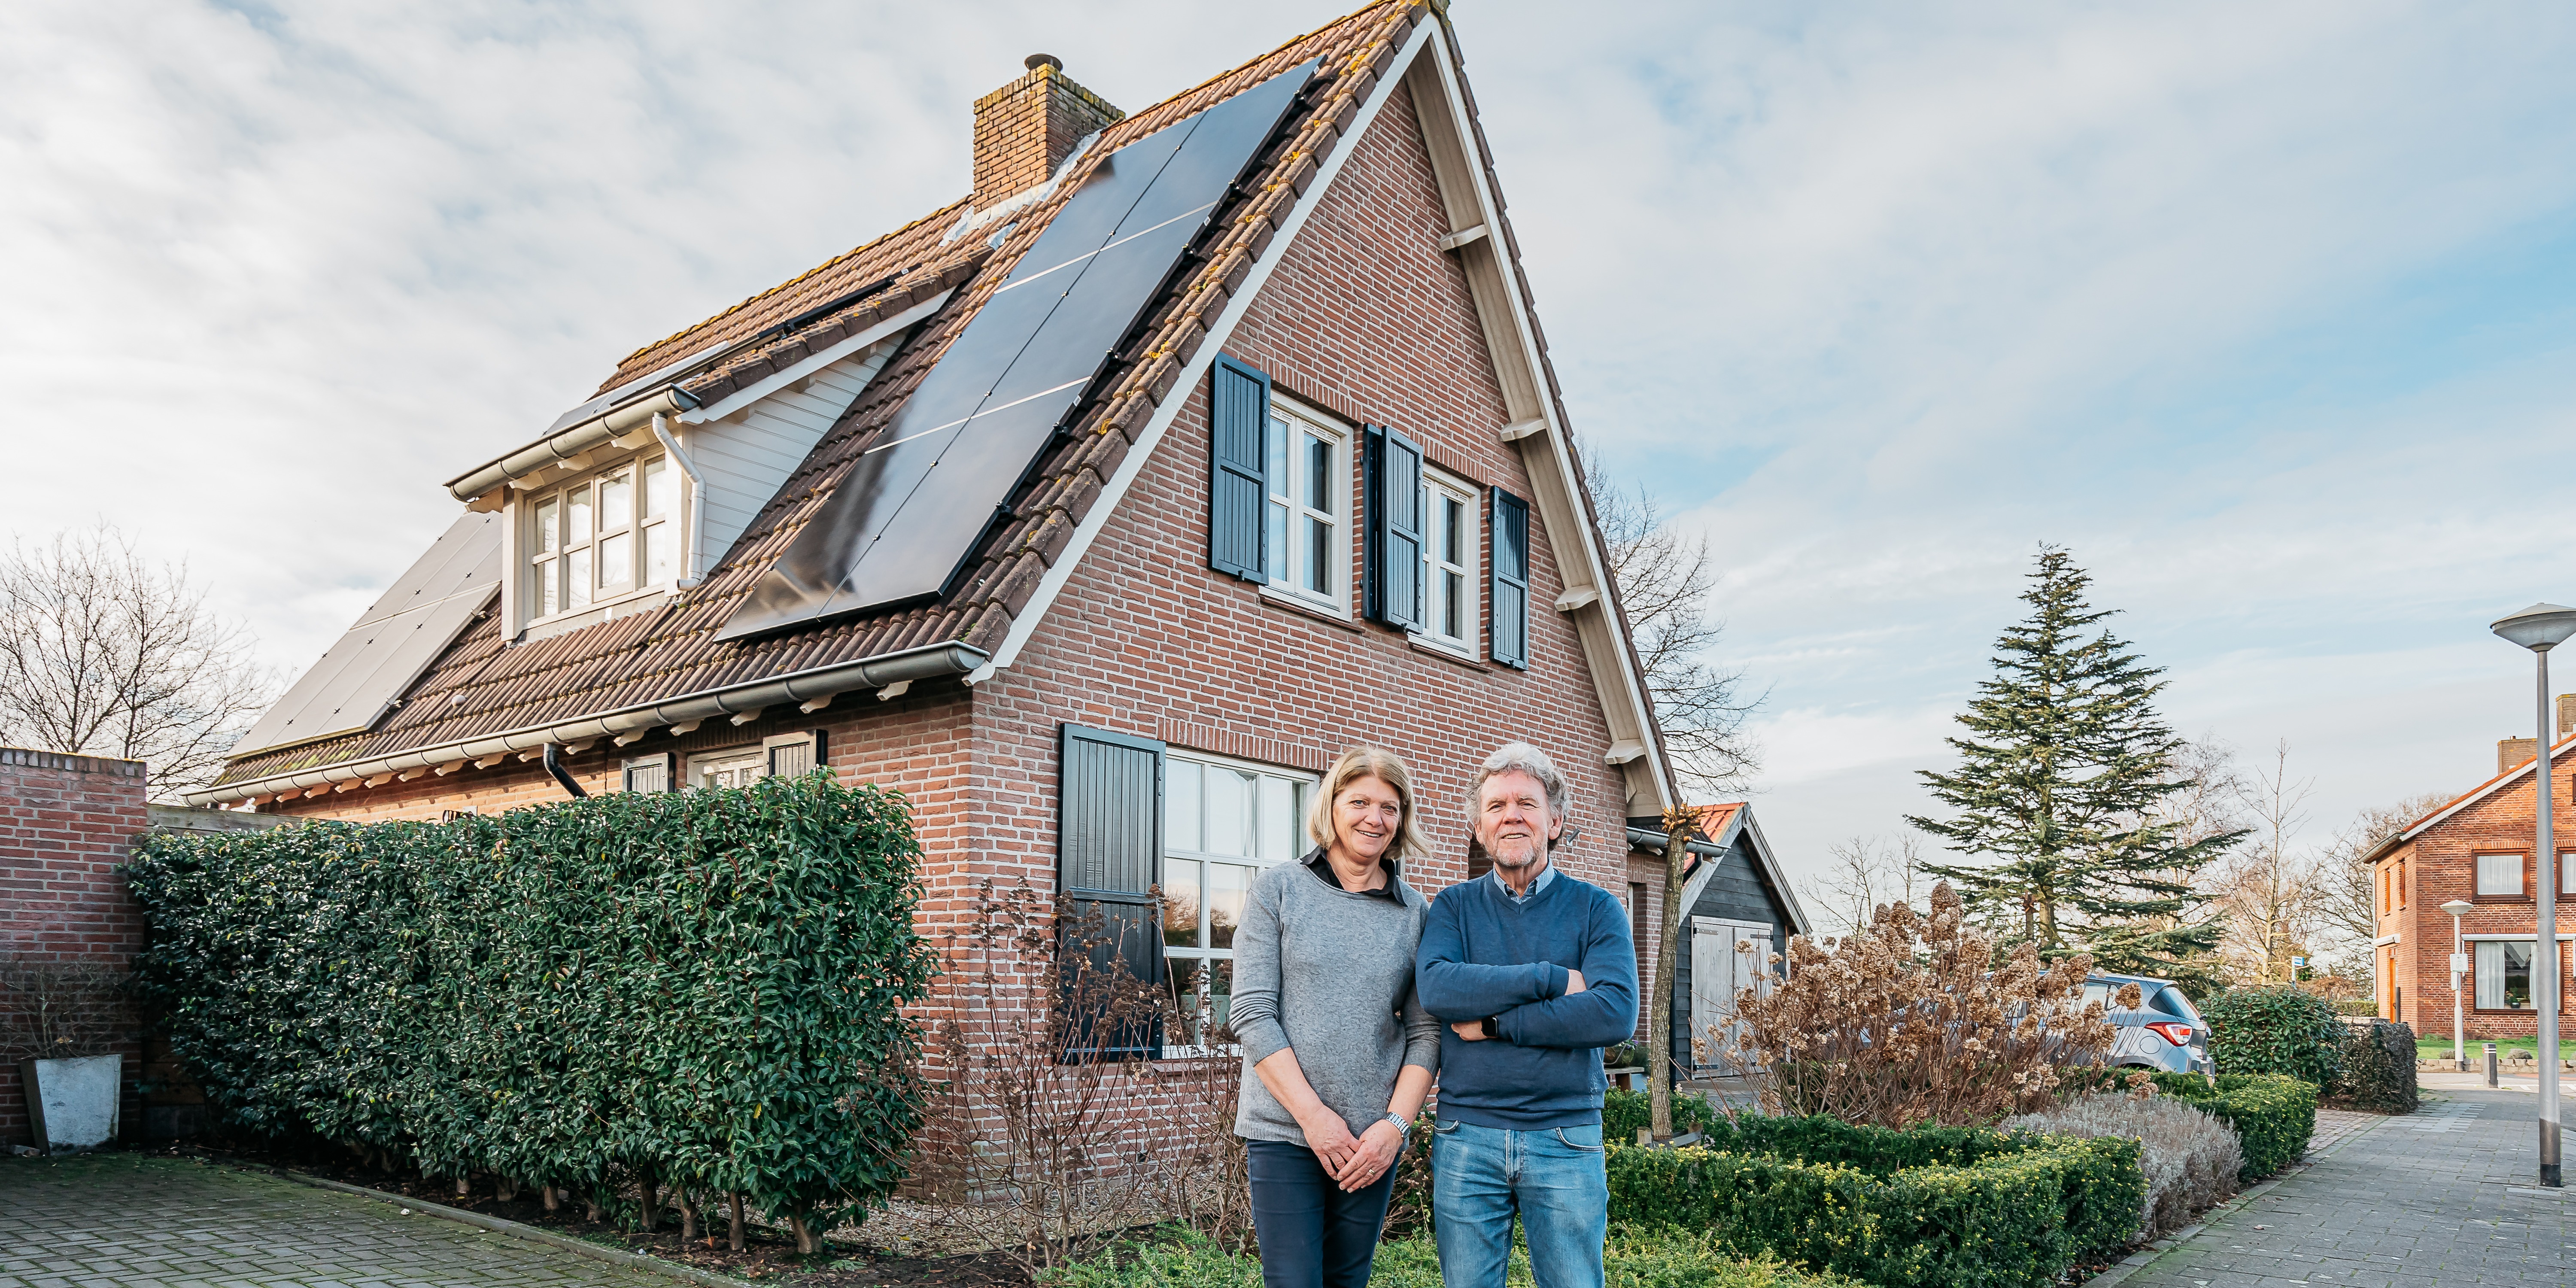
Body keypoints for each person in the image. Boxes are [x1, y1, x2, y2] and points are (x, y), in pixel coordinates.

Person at [1416, 741, 1638, 1288]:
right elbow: (1440, 989)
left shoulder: (1598, 908)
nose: (1511, 815)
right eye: (1496, 806)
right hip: (1467, 1135)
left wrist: (1496, 1025)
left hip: (1565, 1136)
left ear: (1555, 822)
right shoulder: (1453, 907)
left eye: (1527, 804)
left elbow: (1613, 1013)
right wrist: (1552, 979)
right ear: (1479, 828)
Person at [1228, 745, 1443, 1288]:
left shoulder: (1415, 913)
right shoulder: (1280, 889)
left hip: (1371, 1142)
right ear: (1332, 807)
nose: (1375, 818)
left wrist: (1395, 1127)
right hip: (1284, 1131)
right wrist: (1315, 1119)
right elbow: (1252, 1012)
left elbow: (1426, 1032)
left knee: (1348, 1280)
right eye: (1360, 802)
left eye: (1390, 807)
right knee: (1293, 1281)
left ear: (1402, 820)